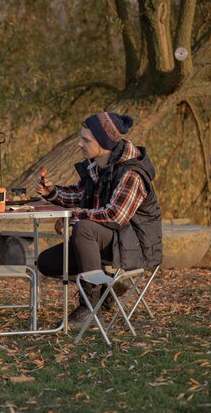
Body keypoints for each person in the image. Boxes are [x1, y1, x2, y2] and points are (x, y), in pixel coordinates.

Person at [36, 112, 162, 328]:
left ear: (104, 144)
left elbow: (115, 215)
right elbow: (78, 195)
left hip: (135, 248)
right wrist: (52, 192)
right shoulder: (98, 167)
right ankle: (108, 290)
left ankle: (91, 307)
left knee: (84, 228)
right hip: (110, 243)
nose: (79, 144)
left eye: (86, 140)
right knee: (47, 262)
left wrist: (73, 216)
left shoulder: (131, 174)